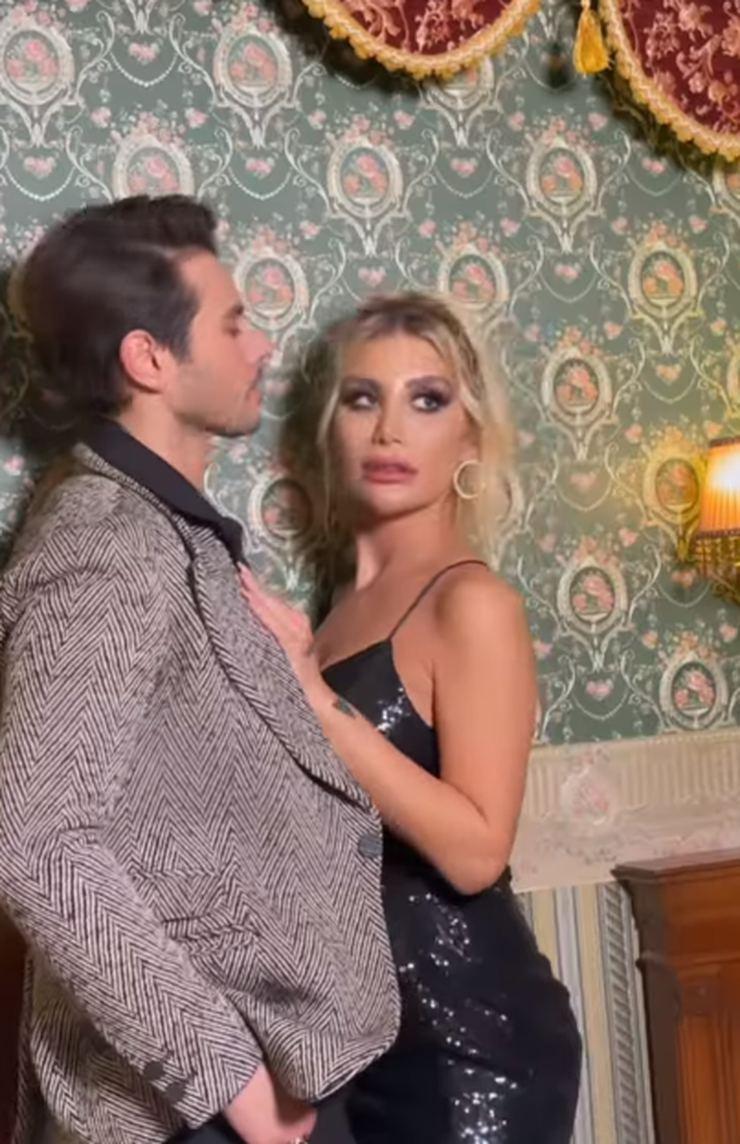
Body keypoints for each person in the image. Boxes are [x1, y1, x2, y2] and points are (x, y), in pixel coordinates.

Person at [0, 196, 400, 1144]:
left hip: (267, 1077)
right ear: (150, 359)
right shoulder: (104, 540)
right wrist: (236, 1086)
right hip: (195, 1112)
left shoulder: (163, 527)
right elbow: (37, 843)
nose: (261, 346)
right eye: (232, 323)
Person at [241, 293, 582, 1144]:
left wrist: (316, 702)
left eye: (426, 400)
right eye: (363, 399)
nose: (390, 430)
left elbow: (476, 852)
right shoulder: (336, 611)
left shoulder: (472, 602)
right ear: (332, 428)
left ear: (469, 438)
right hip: (361, 1051)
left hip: (474, 1047)